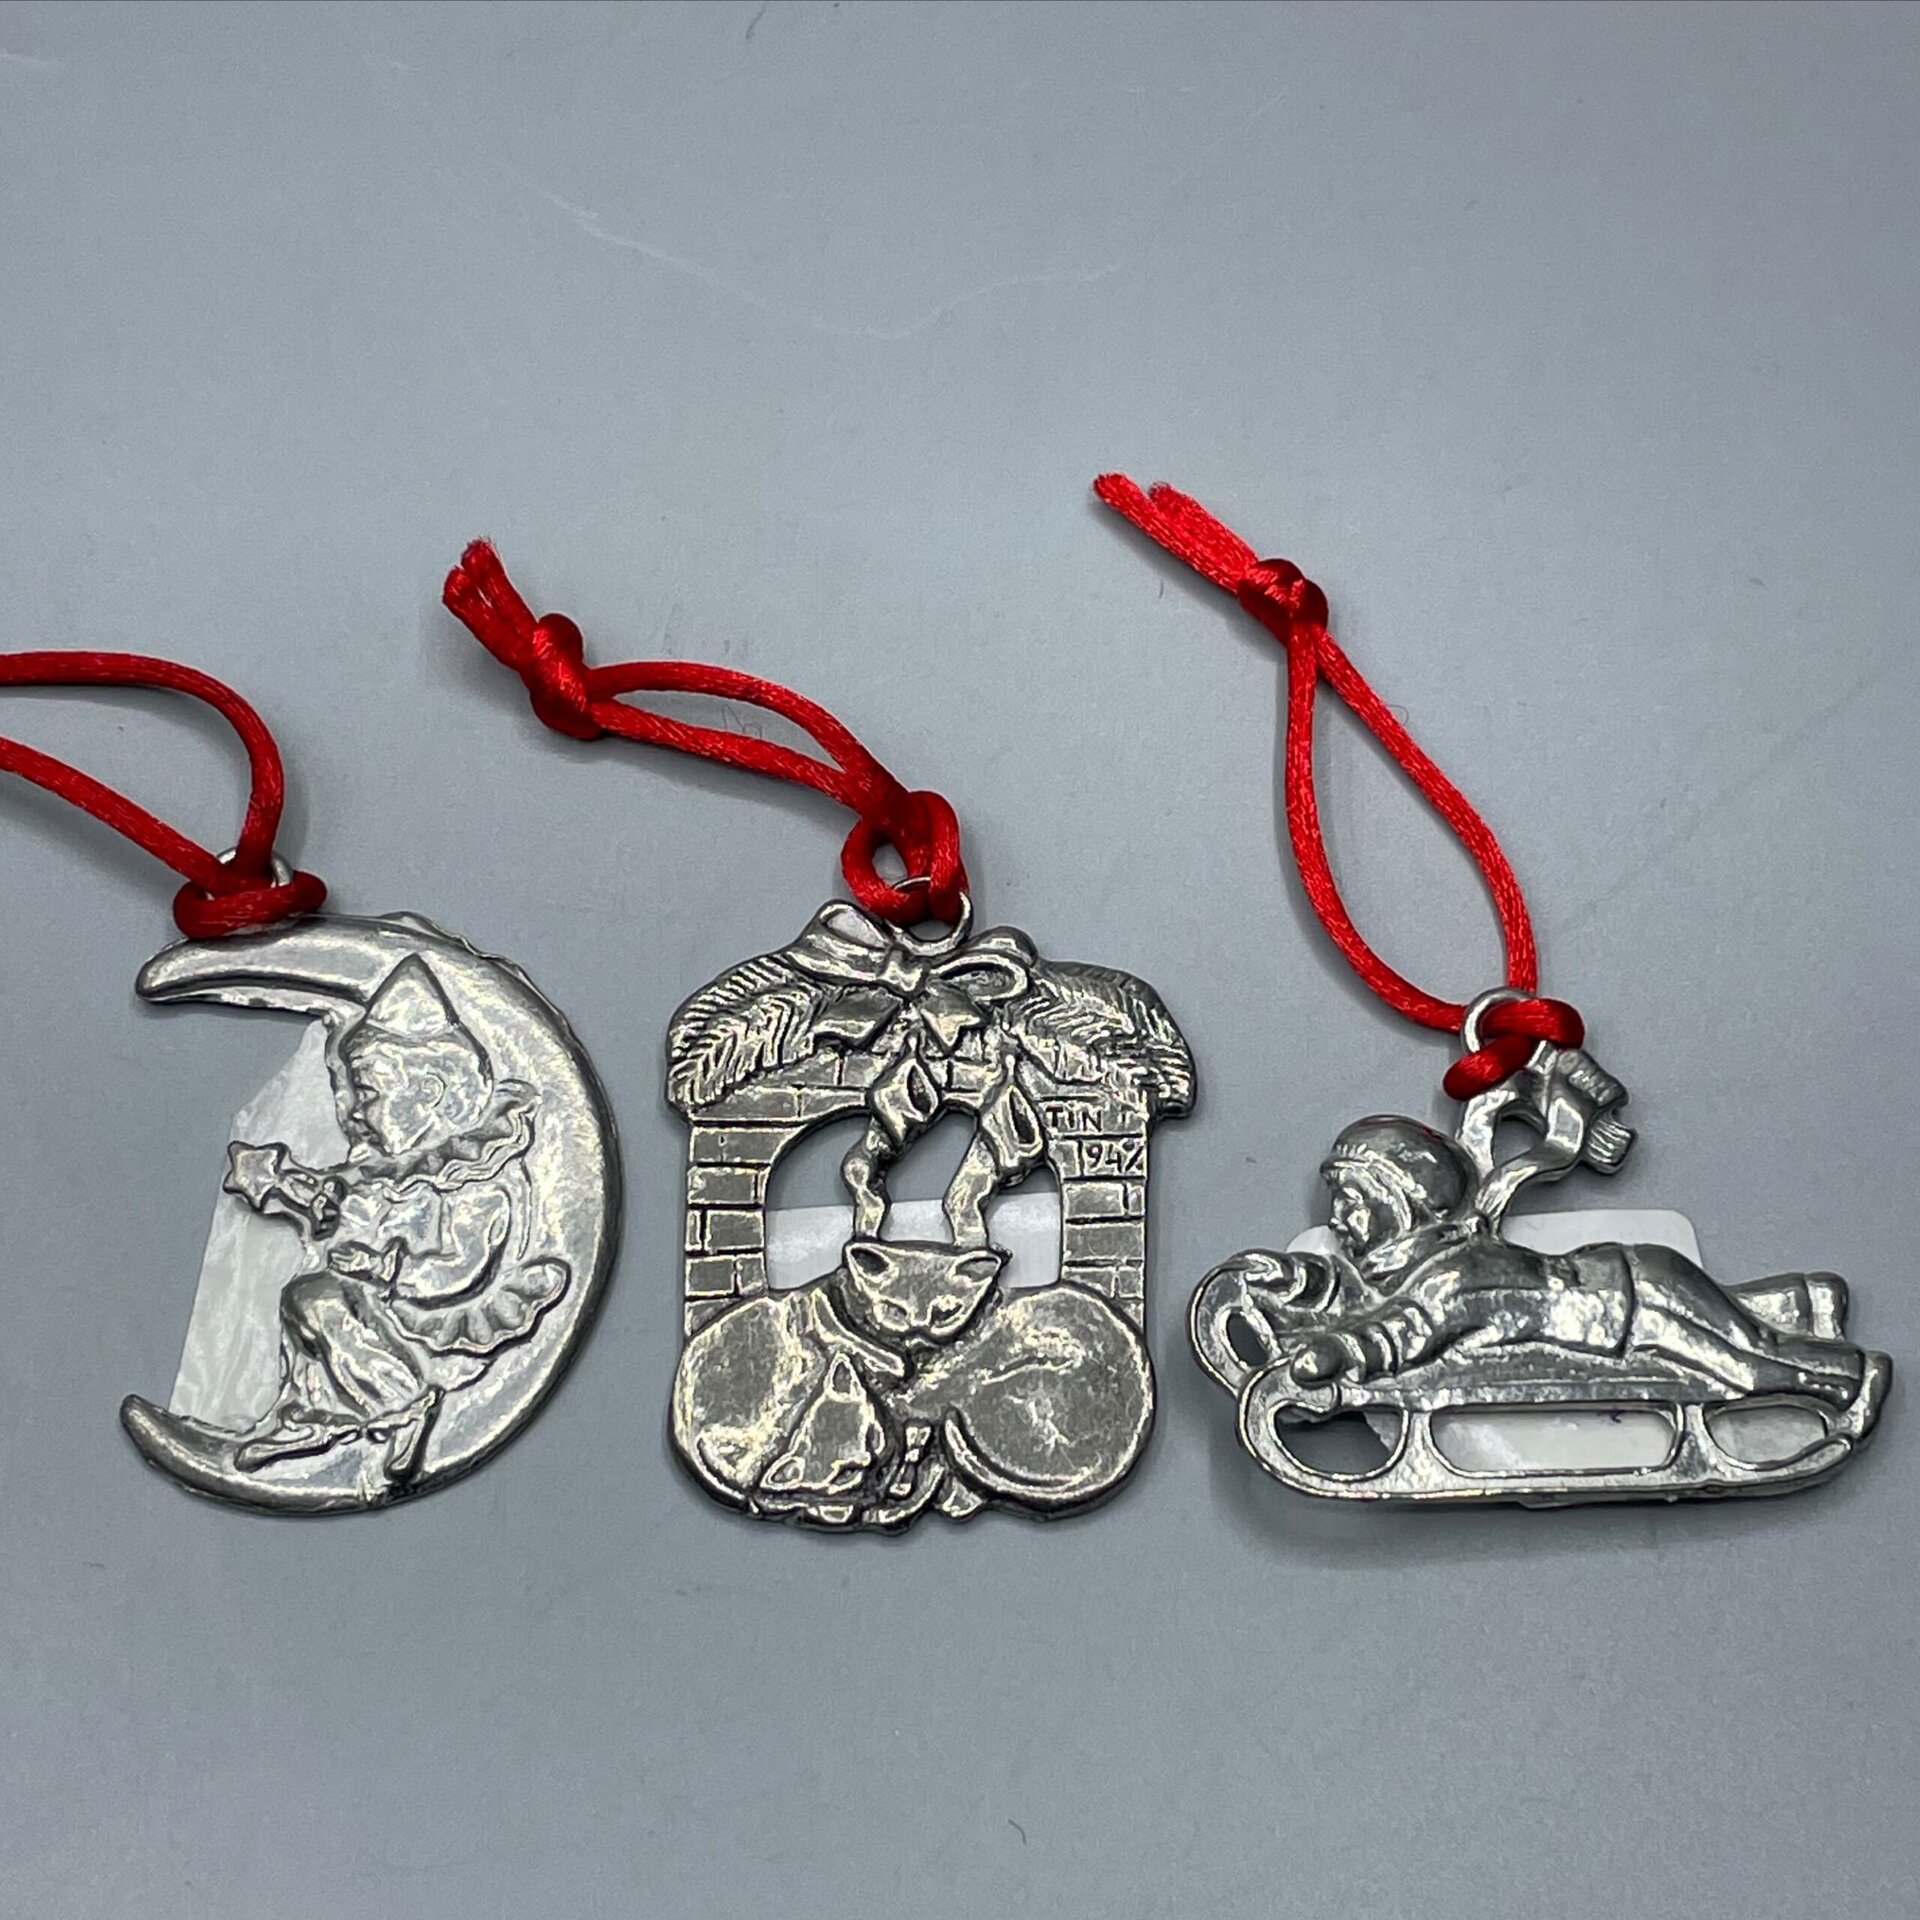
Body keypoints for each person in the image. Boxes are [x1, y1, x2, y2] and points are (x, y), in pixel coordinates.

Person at [225, 956, 566, 1481]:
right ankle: (315, 1411)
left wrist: (386, 1269)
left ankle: (405, 1404)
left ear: (430, 1091)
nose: (356, 1113)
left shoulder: (476, 1174)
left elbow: (464, 1266)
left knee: (319, 1302)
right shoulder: (384, 1166)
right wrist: (306, 1197)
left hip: (438, 1303)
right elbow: (350, 1212)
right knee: (307, 1302)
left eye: (369, 1093)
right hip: (372, 1292)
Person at [1287, 1115, 1867, 1407]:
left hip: (1634, 1306)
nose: (1337, 1218)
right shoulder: (1436, 1264)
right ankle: (1805, 1302)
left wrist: (1338, 1351)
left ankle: (1851, 1380)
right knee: (1742, 1330)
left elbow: (1408, 1330)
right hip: (1627, 1282)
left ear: (1403, 1207)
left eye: (1353, 1201)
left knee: (1747, 1370)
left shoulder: (1453, 1277)